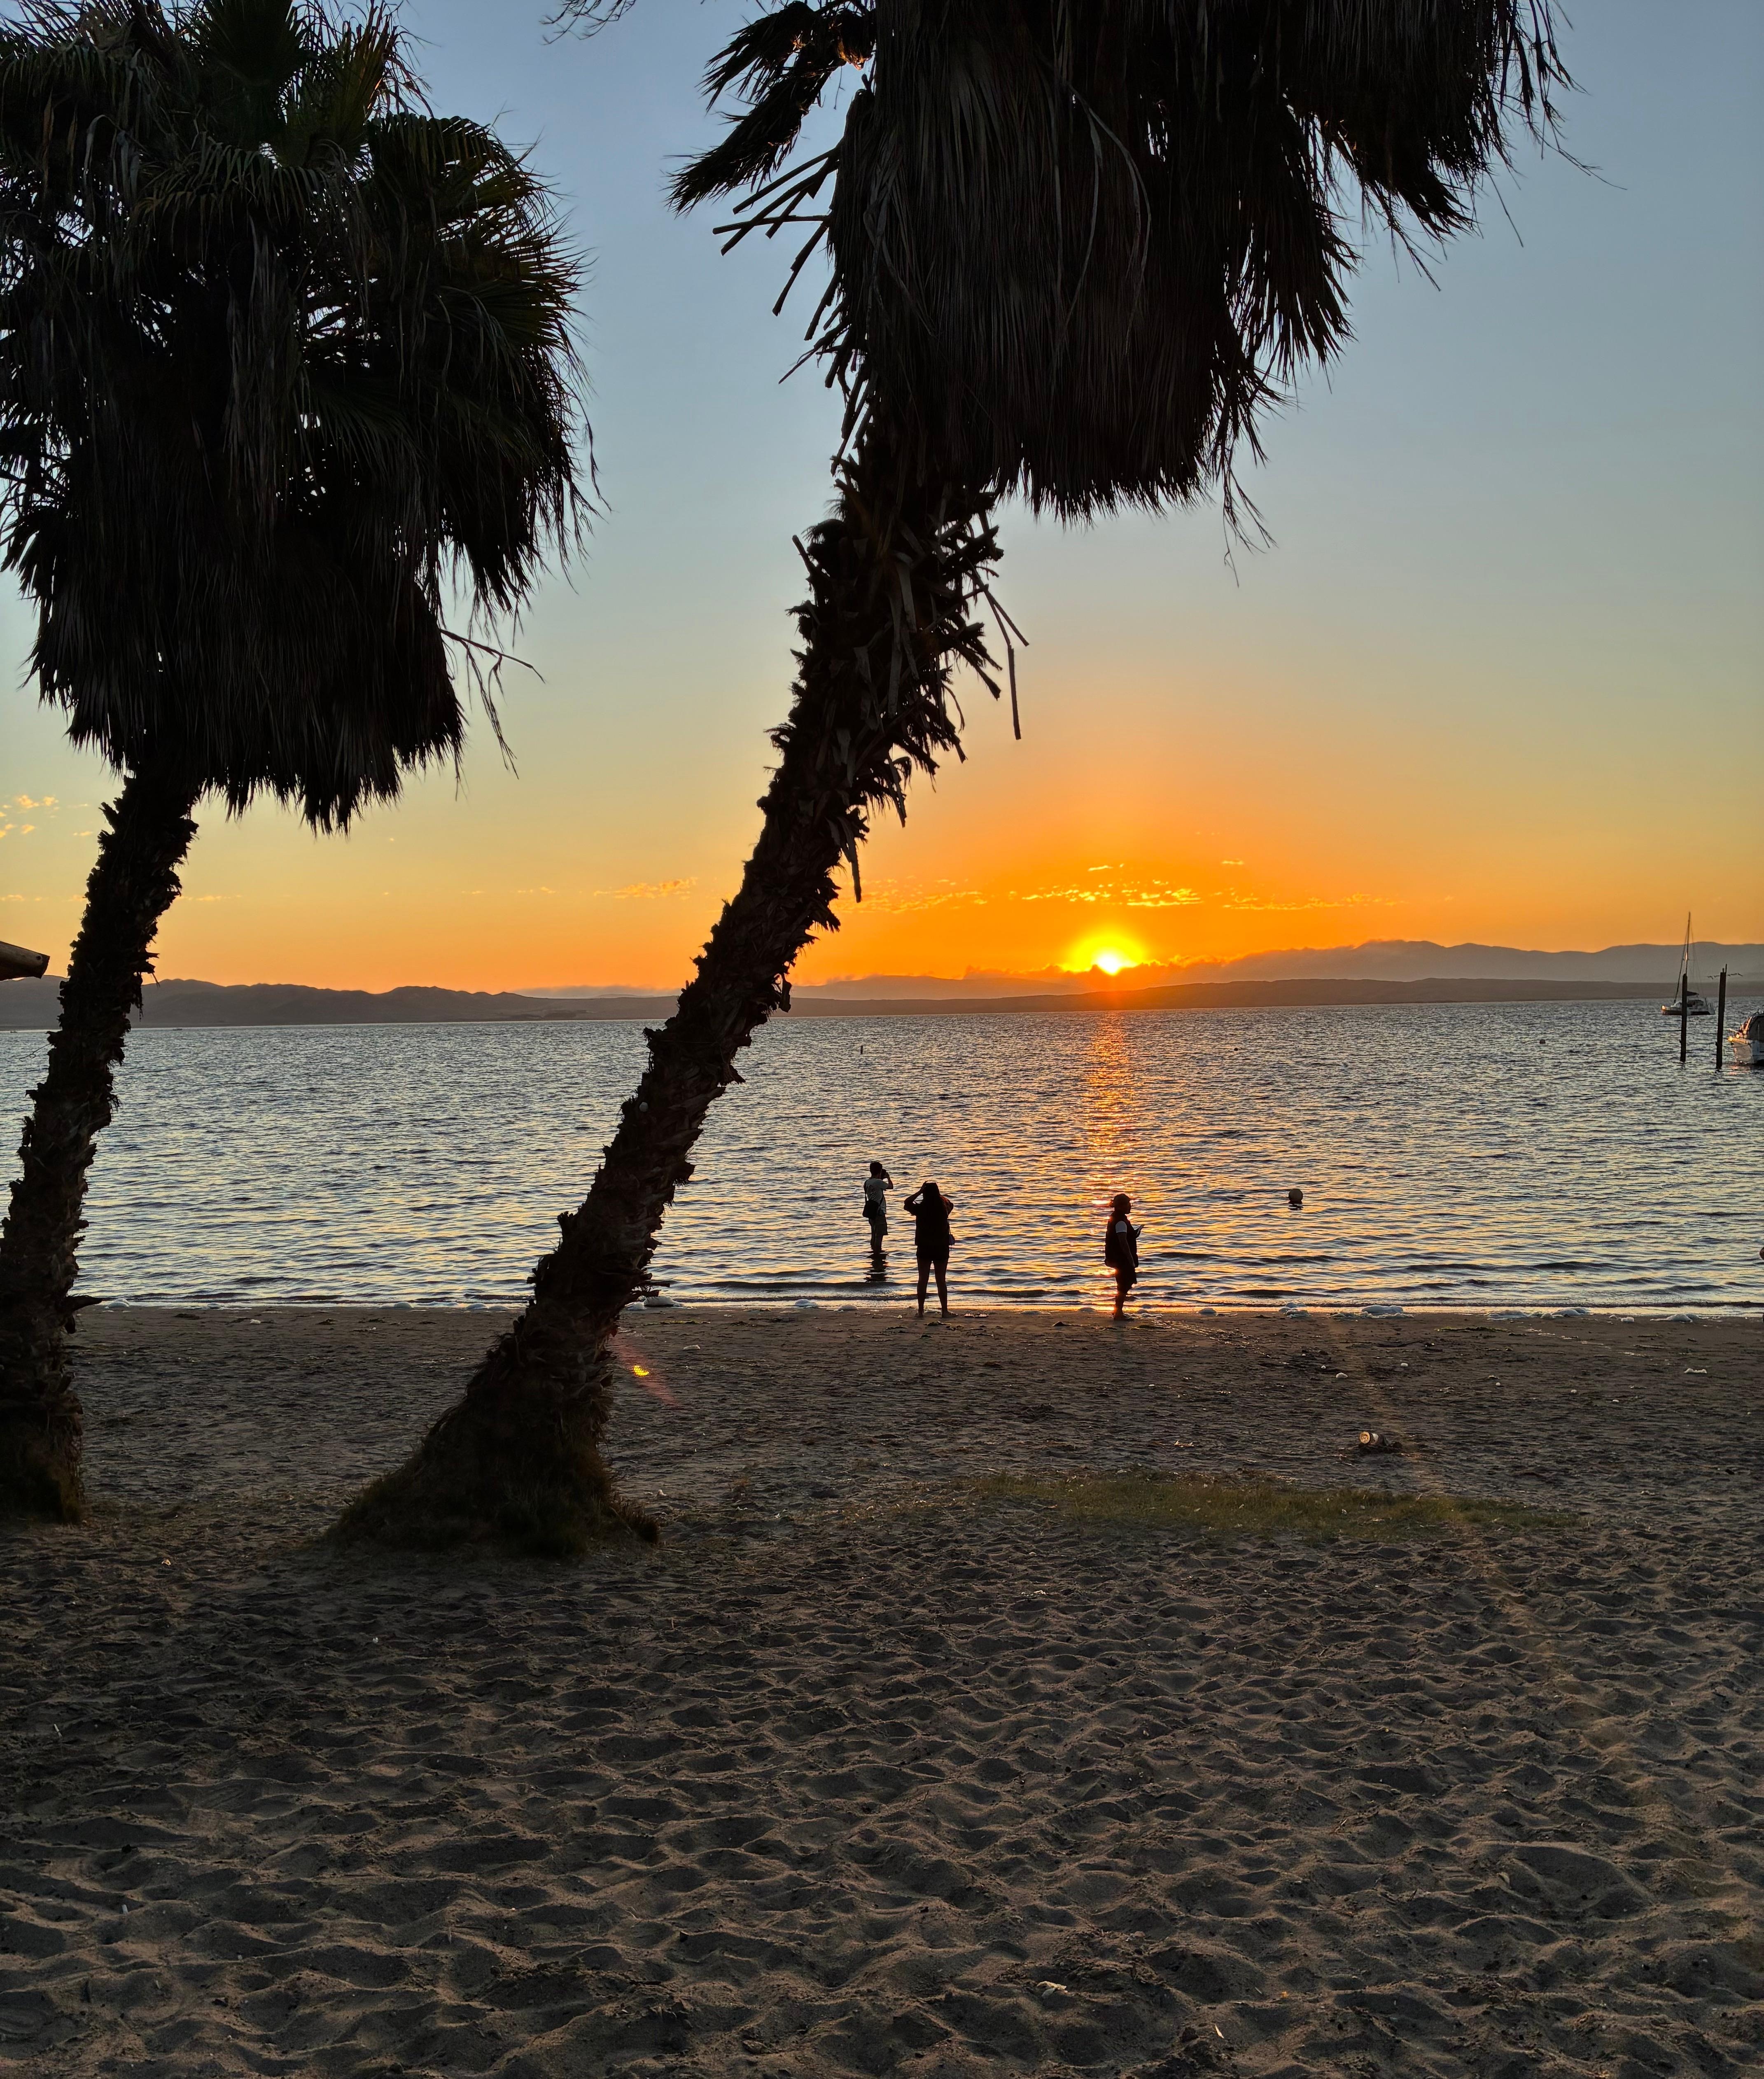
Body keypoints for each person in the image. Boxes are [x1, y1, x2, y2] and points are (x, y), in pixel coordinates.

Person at [904, 1179, 954, 1317]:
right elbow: (951, 1204)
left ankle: (921, 1311)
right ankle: (945, 1311)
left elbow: (907, 1203)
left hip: (924, 1247)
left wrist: (920, 1192)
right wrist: (938, 1196)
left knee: (923, 1279)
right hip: (941, 1247)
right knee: (941, 1280)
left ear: (924, 1194)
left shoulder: (920, 1209)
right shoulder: (944, 1208)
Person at [1104, 1192, 1141, 1318]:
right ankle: (1118, 1312)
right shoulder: (1120, 1221)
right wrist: (1130, 1259)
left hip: (1118, 1257)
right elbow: (1123, 1242)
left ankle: (1117, 1310)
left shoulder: (1117, 1219)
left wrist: (1134, 1234)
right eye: (1128, 1204)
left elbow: (1123, 1237)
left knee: (1124, 1284)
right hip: (1122, 1258)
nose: (1130, 1206)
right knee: (1124, 1285)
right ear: (1121, 1206)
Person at [862, 1161, 893, 1261]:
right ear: (880, 1171)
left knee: (874, 1235)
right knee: (879, 1236)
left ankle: (874, 1254)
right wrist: (888, 1178)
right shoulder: (879, 1183)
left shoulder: (867, 1182)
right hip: (879, 1212)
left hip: (871, 1212)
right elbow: (891, 1187)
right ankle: (878, 1256)